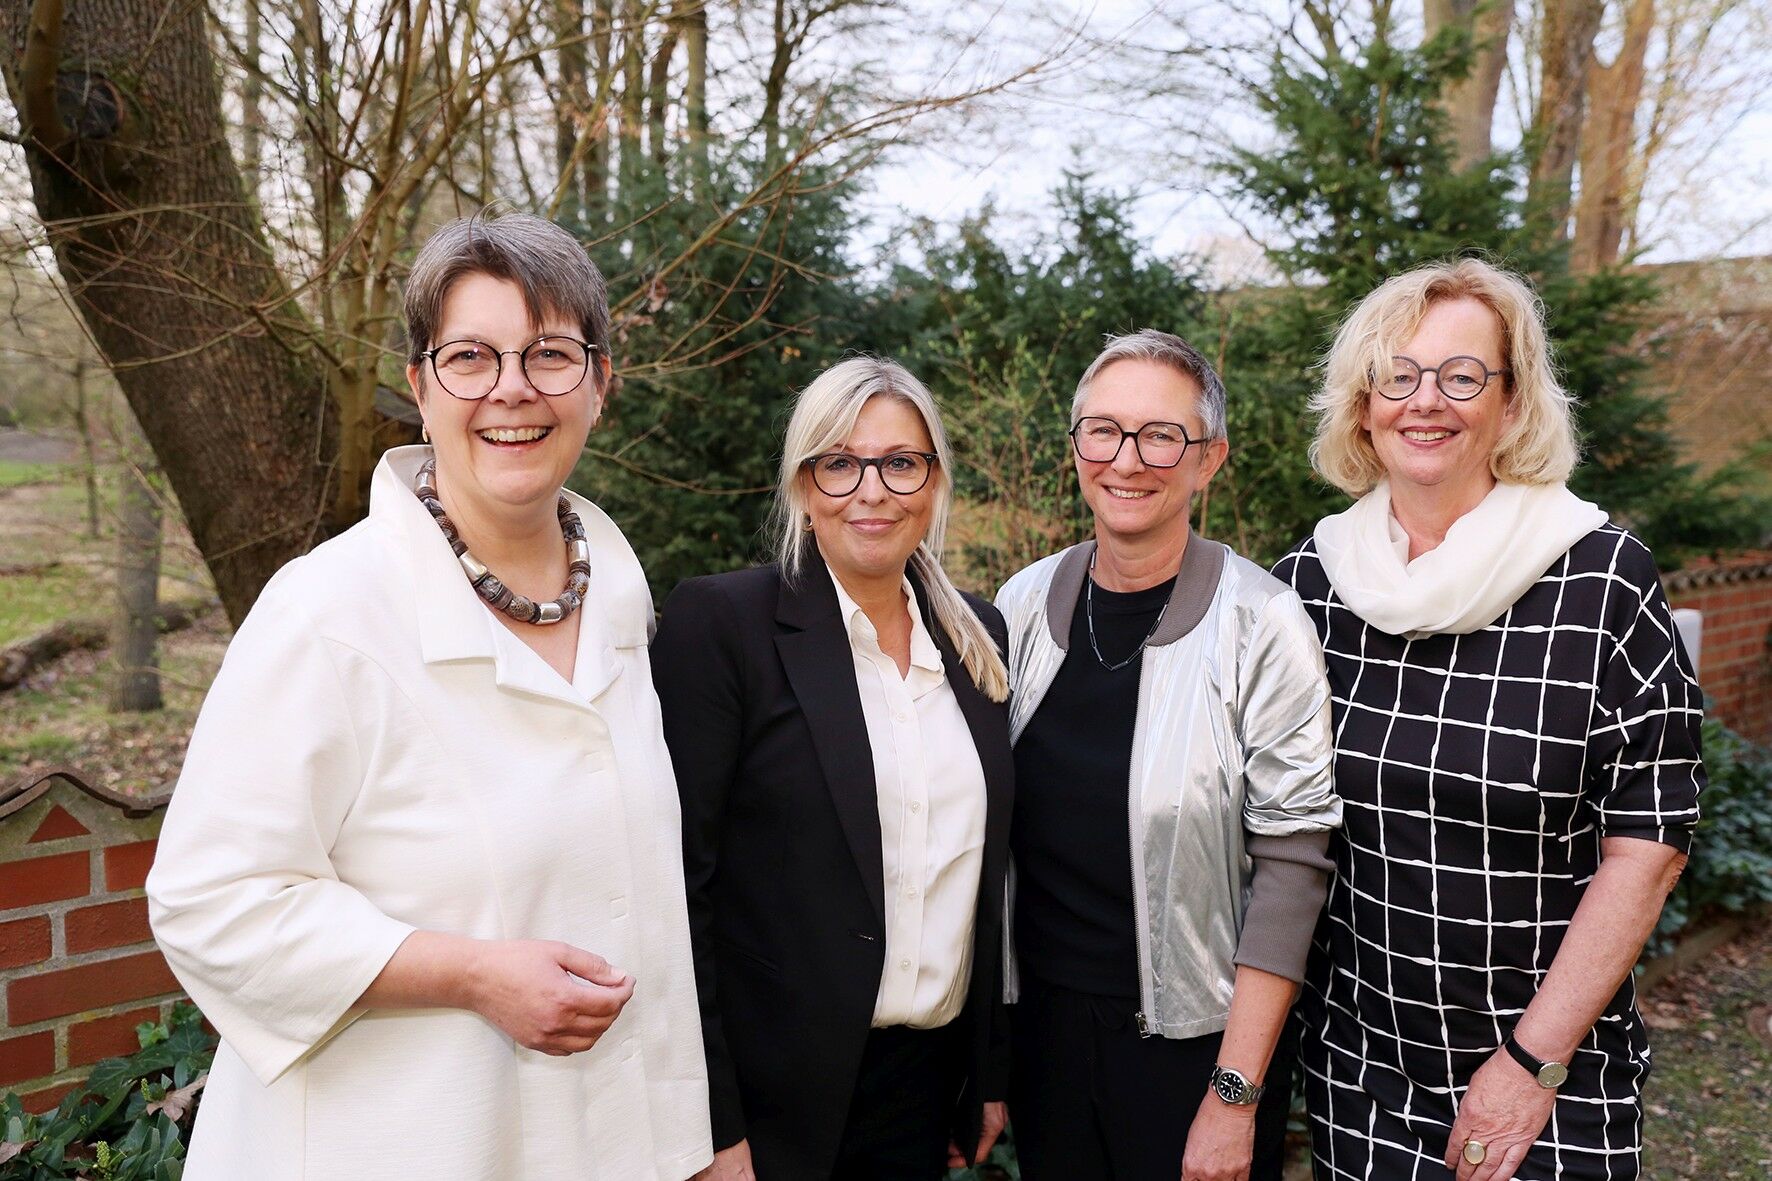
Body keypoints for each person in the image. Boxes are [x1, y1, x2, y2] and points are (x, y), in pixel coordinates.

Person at [146, 211, 712, 1181]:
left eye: (550, 354)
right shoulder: (327, 611)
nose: (511, 388)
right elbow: (211, 901)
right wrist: (473, 971)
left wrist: (683, 1145)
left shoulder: (621, 599)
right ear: (418, 385)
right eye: (470, 355)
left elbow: (640, 907)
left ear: (600, 381)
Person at [1273, 257, 1705, 1181]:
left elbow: (1651, 844)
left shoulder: (1602, 579)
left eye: (1463, 375)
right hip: (1361, 1068)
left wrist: (1526, 1065)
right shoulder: (1309, 585)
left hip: (1547, 1073)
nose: (1426, 400)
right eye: (1399, 373)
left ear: (1511, 404)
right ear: (1363, 403)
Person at [649, 356, 1014, 1181]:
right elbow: (676, 892)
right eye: (841, 463)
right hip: (769, 1107)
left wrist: (985, 1073)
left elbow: (981, 876)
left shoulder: (976, 639)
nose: (872, 490)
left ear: (933, 482)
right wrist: (710, 1125)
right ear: (805, 484)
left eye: (900, 462)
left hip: (922, 1092)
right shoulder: (725, 624)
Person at [995, 329, 1343, 1181]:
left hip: (1191, 1056)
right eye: (1103, 430)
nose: (1127, 459)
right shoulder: (1020, 605)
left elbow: (1294, 868)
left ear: (1208, 458)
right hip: (1042, 1038)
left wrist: (1234, 1093)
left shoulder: (1264, 624)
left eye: (1161, 435)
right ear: (1076, 444)